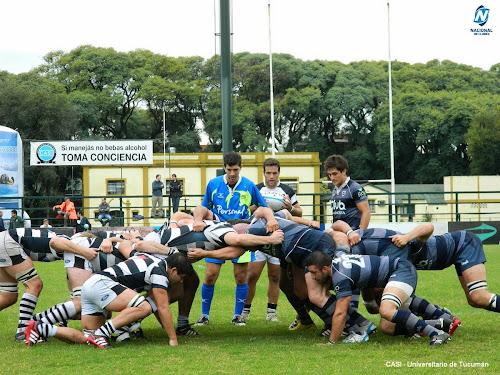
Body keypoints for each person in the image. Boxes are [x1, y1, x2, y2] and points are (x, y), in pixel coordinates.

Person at [24, 252, 194, 349]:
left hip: (92, 285)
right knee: (144, 306)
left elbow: (158, 306)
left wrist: (167, 329)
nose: (180, 281)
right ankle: (103, 332)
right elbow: (162, 307)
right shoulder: (159, 272)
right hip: (102, 284)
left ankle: (42, 328)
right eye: (181, 277)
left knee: (87, 338)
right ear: (173, 270)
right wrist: (173, 339)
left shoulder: (153, 262)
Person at [305, 250, 451, 346]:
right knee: (387, 327)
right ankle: (438, 323)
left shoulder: (340, 276)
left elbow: (340, 313)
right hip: (399, 270)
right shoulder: (338, 260)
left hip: (400, 270)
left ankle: (437, 334)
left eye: (314, 272)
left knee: (386, 310)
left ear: (325, 269)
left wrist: (331, 343)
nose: (312, 277)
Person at [193, 151, 268, 326]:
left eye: (235, 169)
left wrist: (252, 218)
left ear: (241, 167)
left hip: (241, 235)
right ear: (224, 168)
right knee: (210, 275)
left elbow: (263, 208)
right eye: (229, 170)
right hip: (216, 234)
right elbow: (204, 208)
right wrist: (198, 220)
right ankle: (204, 316)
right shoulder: (213, 184)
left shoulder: (249, 186)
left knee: (241, 276)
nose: (232, 173)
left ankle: (237, 316)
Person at [0, 228, 98, 341]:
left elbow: (74, 291)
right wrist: (85, 252)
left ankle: (34, 321)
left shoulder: (71, 254)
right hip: (7, 242)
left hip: (5, 242)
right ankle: (23, 331)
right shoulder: (69, 242)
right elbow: (54, 242)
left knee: (9, 296)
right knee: (34, 285)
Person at [390, 224, 500, 316]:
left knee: (479, 297)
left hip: (464, 244)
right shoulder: (392, 262)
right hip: (455, 255)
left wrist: (406, 237)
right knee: (473, 301)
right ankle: (439, 313)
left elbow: (428, 226)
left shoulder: (407, 245)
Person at [244, 158, 303, 322]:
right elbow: (245, 210)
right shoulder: (256, 189)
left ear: (279, 173)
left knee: (275, 276)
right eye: (268, 173)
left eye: (274, 173)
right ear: (263, 173)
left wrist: (290, 207)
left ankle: (271, 312)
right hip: (259, 237)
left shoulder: (286, 190)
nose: (271, 176)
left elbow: (299, 212)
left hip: (280, 238)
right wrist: (256, 207)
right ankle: (245, 311)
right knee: (252, 275)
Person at [324, 154, 370, 312]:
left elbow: (365, 212)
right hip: (340, 238)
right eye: (329, 174)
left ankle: (352, 312)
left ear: (344, 171)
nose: (332, 177)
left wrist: (360, 234)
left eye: (335, 174)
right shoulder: (335, 190)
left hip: (353, 238)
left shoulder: (355, 188)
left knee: (351, 273)